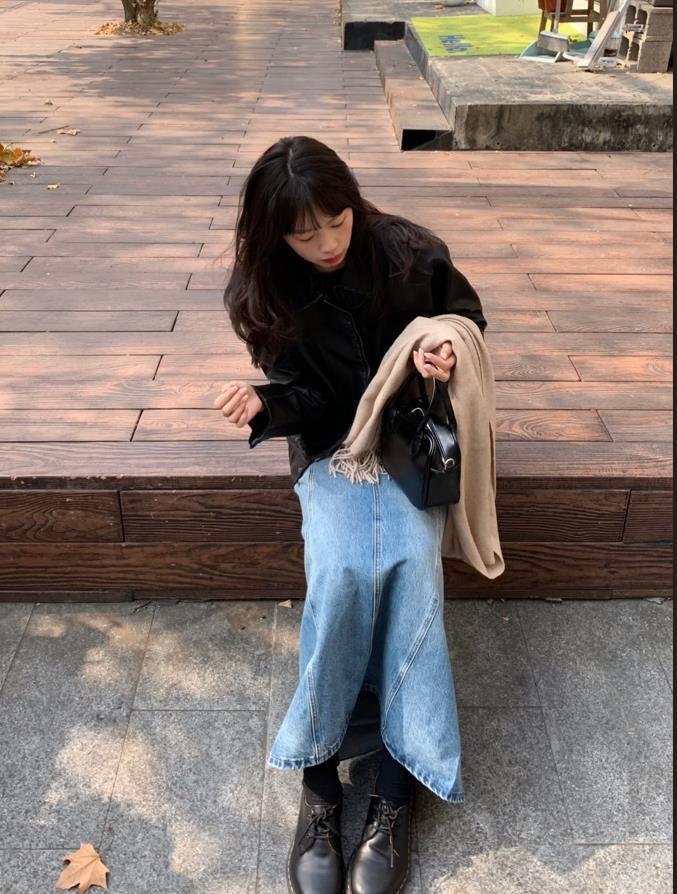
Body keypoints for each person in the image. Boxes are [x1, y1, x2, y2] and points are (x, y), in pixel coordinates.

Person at [213, 136, 487, 894]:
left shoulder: (408, 252)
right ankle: (320, 786)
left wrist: (441, 351)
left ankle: (398, 786)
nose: (327, 243)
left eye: (336, 221)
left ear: (351, 202)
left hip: (408, 444)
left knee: (412, 566)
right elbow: (307, 398)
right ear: (274, 234)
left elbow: (466, 317)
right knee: (338, 572)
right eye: (304, 235)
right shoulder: (262, 291)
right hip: (331, 448)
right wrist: (265, 406)